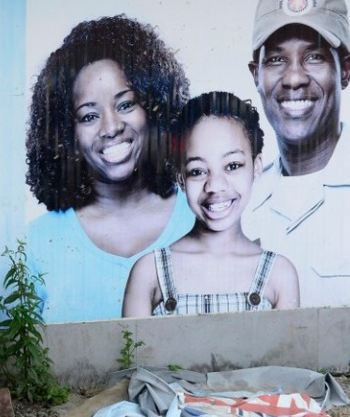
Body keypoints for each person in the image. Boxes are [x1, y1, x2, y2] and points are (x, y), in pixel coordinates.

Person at [25, 15, 193, 323]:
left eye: (126, 105)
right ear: (66, 134)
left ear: (155, 109)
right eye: (89, 116)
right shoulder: (36, 243)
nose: (111, 127)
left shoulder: (201, 220)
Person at [242, 0, 350, 309]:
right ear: (256, 75)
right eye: (275, 60)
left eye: (314, 56)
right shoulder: (238, 201)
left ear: (346, 70)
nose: (295, 77)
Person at [122, 92, 299, 317]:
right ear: (180, 179)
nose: (214, 185)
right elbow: (130, 352)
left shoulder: (279, 274)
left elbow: (289, 352)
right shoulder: (148, 272)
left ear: (256, 167)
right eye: (197, 171)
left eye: (232, 165)